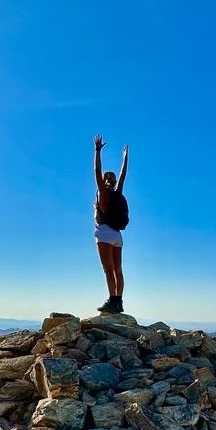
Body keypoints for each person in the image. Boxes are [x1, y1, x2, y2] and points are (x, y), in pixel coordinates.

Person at [93, 134, 129, 313]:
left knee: (108, 269)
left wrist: (97, 151)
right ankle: (118, 301)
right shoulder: (117, 193)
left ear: (105, 182)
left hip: (104, 233)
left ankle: (111, 301)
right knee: (118, 269)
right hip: (117, 235)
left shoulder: (103, 193)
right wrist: (125, 158)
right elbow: (123, 176)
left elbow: (96, 171)